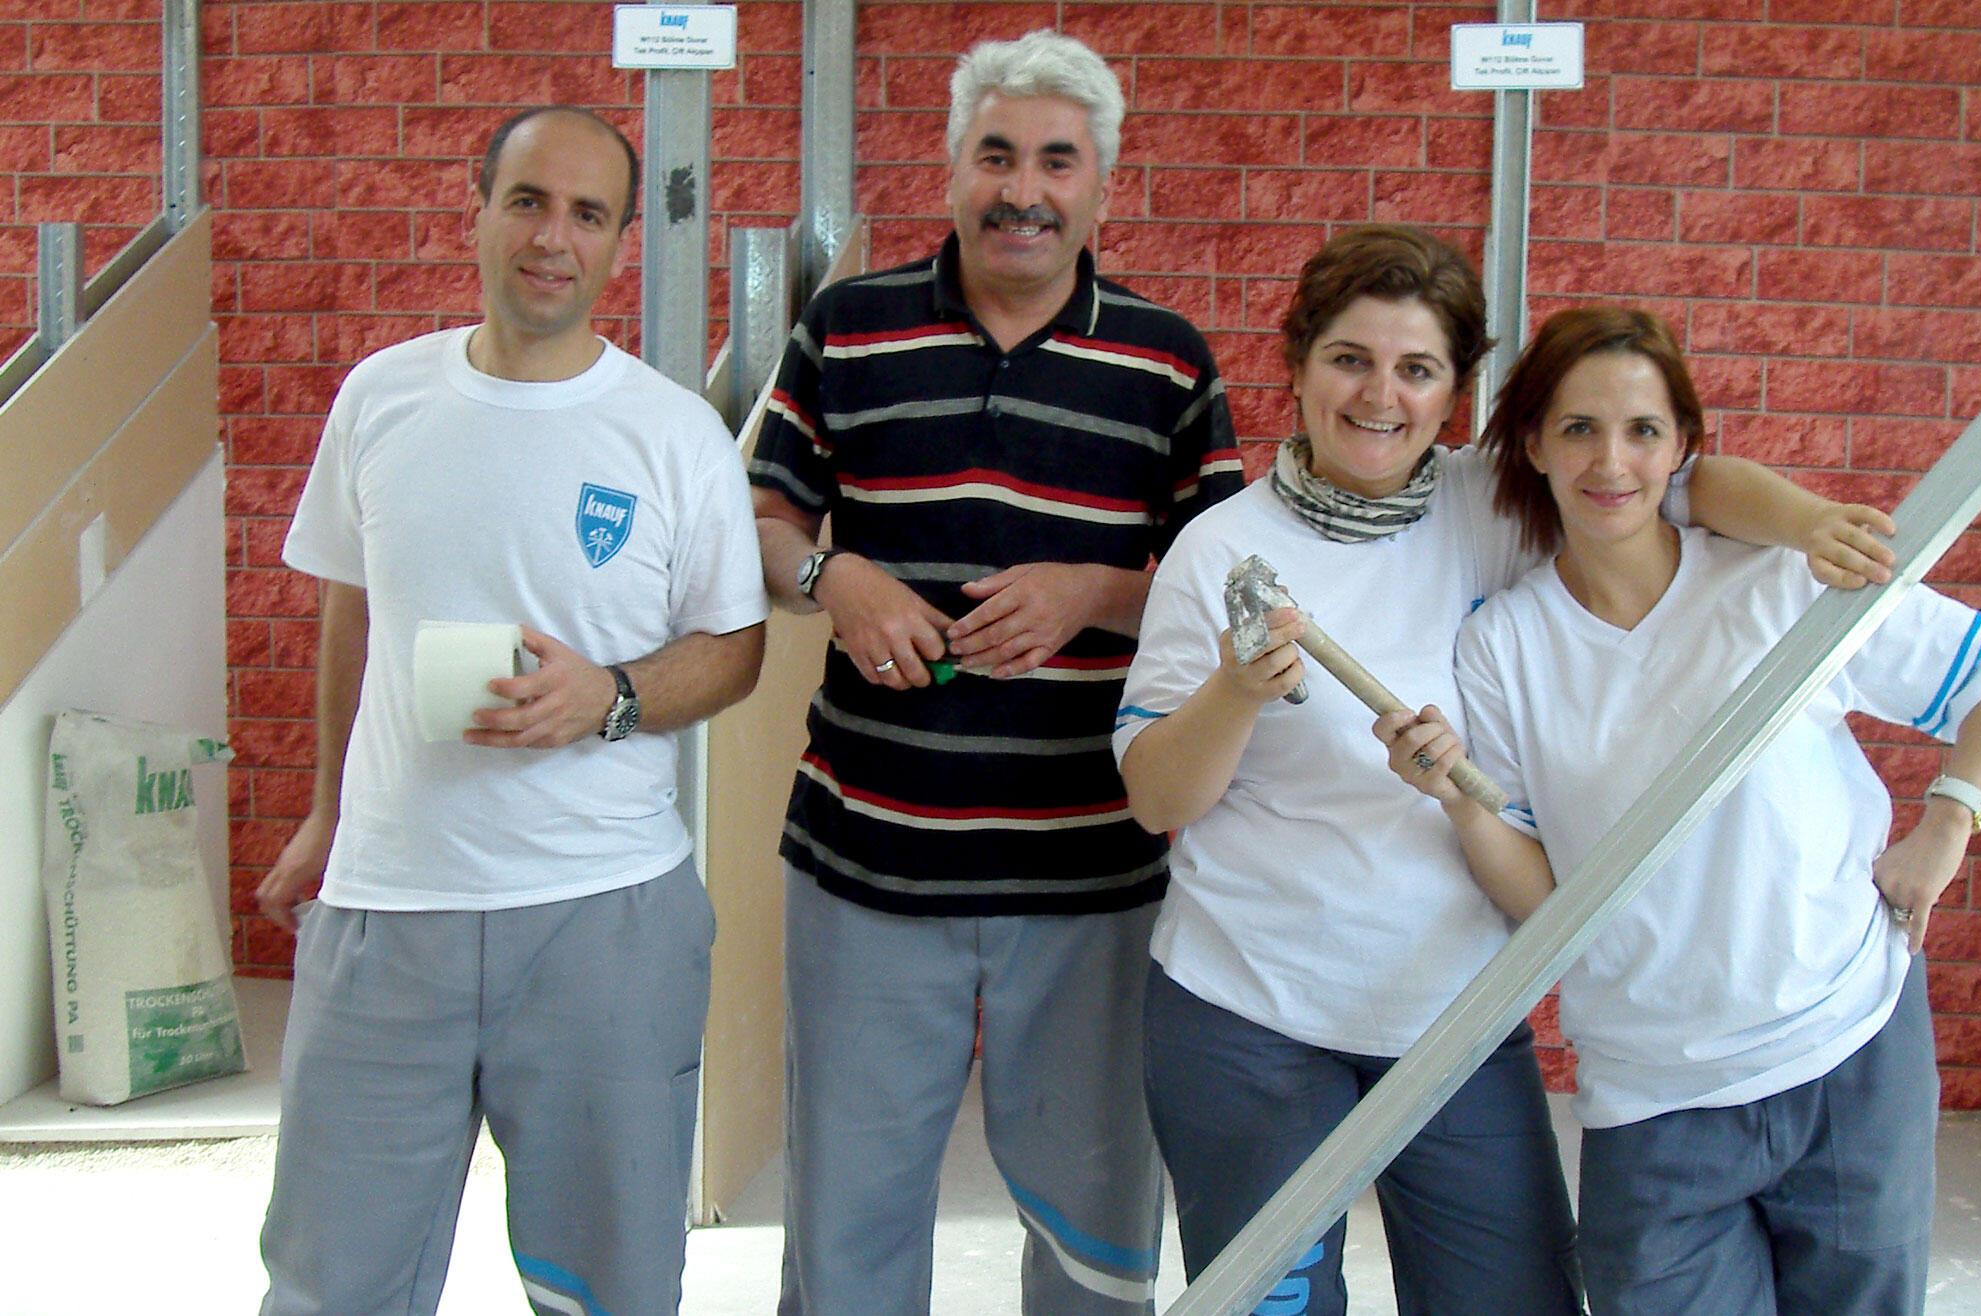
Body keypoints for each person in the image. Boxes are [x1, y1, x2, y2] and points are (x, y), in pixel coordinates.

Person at [1112, 226, 1898, 1316]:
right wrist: (1238, 690)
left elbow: (1690, 481)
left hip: (1454, 1020)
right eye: (1349, 357)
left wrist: (1814, 525)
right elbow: (1158, 798)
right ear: (1294, 368)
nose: (1380, 392)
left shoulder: (1504, 501)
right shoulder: (1218, 549)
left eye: (1417, 368)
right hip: (1250, 1015)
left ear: (1457, 396)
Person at [1379, 305, 1981, 1316]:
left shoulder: (1781, 578)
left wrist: (1946, 823)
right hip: (1657, 1097)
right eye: (1579, 429)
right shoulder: (1503, 645)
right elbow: (1544, 900)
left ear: (1684, 446)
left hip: (1849, 1049)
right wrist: (1459, 803)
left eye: (1644, 430)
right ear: (1532, 445)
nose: (1612, 460)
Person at [745, 30, 1242, 1316]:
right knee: (847, 1221)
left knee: (1095, 1233)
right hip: (868, 862)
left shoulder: (1167, 361)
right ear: (954, 167)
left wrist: (1094, 590)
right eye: (997, 154)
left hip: (1092, 875)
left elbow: (1230, 593)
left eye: (1057, 161)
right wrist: (831, 577)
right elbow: (760, 526)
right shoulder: (845, 331)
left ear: (1101, 185)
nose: (1025, 187)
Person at [252, 106, 769, 1316]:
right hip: (389, 914)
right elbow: (350, 616)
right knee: (331, 1285)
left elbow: (736, 649)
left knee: (613, 1290)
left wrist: (613, 695)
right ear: (476, 209)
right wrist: (328, 813)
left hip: (604, 920)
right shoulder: (382, 398)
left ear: (620, 241)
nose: (553, 236)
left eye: (587, 214)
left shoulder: (673, 436)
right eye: (528, 200)